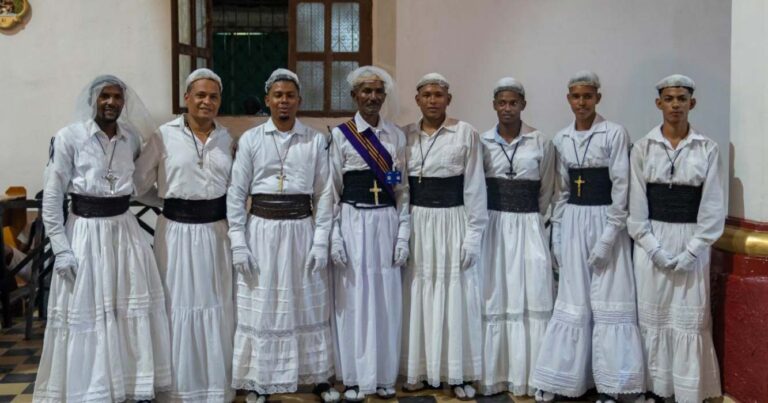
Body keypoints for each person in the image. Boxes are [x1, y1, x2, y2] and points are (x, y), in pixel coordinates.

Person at [35, 75, 171, 402]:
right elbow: (52, 197)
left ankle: (132, 386)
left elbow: (138, 187)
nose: (111, 103)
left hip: (124, 231)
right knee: (90, 310)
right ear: (93, 99)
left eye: (117, 97)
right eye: (104, 96)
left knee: (127, 309)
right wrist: (61, 248)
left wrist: (172, 200)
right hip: (84, 231)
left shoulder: (131, 139)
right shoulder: (69, 137)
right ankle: (90, 389)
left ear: (124, 102)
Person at [532, 71, 645, 403]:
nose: (582, 103)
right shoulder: (563, 138)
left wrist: (609, 237)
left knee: (611, 298)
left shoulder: (614, 133)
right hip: (575, 222)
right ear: (568, 99)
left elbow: (621, 188)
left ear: (598, 98)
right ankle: (565, 379)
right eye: (576, 97)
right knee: (573, 299)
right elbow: (562, 191)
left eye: (588, 96)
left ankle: (615, 385)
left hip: (606, 218)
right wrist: (559, 236)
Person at [227, 68, 338, 403]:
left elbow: (325, 194)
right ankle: (260, 381)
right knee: (264, 308)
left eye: (290, 95)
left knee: (307, 304)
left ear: (299, 100)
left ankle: (317, 377)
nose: (284, 101)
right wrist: (238, 242)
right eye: (278, 95)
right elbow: (236, 193)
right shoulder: (250, 140)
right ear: (267, 100)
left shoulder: (315, 140)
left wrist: (321, 240)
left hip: (301, 231)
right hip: (260, 231)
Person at [133, 68, 236, 402]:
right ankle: (177, 386)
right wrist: (168, 203)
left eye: (214, 96)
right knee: (177, 303)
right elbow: (139, 184)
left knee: (216, 302)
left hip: (216, 233)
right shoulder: (163, 136)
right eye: (201, 95)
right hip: (175, 234)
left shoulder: (226, 139)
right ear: (187, 98)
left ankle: (214, 384)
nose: (207, 102)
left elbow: (234, 188)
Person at [628, 74, 724, 403]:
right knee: (651, 316)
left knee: (687, 318)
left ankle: (686, 390)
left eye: (681, 99)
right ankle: (654, 388)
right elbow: (636, 209)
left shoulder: (707, 149)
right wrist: (654, 249)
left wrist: (691, 253)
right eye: (669, 99)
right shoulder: (643, 148)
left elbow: (712, 209)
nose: (675, 105)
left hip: (690, 244)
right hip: (652, 242)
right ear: (659, 103)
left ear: (691, 104)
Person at [400, 73, 488, 401]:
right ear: (418, 100)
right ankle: (420, 369)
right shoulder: (405, 136)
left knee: (455, 295)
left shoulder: (465, 133)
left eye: (439, 95)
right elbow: (403, 188)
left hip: (454, 221)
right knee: (420, 292)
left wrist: (473, 235)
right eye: (427, 95)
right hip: (419, 222)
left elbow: (475, 187)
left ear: (448, 100)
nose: (433, 100)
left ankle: (457, 372)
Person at [328, 66, 409, 402]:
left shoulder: (396, 136)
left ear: (384, 96)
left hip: (385, 222)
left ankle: (384, 375)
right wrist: (333, 235)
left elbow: (402, 189)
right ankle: (355, 376)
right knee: (354, 300)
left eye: (378, 92)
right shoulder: (340, 135)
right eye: (366, 92)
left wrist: (403, 233)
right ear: (354, 96)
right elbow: (331, 189)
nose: (372, 97)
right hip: (352, 221)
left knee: (386, 299)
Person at [478, 77, 555, 397]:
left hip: (528, 225)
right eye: (501, 103)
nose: (507, 108)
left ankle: (533, 376)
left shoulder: (540, 141)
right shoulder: (481, 142)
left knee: (531, 294)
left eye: (513, 103)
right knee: (495, 294)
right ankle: (494, 375)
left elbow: (548, 190)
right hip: (494, 226)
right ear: (494, 105)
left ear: (523, 104)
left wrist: (537, 223)